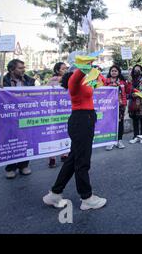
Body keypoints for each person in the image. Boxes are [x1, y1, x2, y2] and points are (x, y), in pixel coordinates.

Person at [43, 62, 107, 210]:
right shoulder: (74, 82)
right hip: (81, 121)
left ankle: (55, 194)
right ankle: (86, 197)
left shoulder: (86, 83)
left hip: (87, 119)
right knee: (82, 161)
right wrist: (89, 60)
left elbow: (102, 81)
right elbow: (83, 68)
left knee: (73, 160)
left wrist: (96, 71)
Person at [0, 59, 35, 179]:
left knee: (26, 139)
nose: (23, 70)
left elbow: (34, 95)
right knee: (11, 141)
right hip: (9, 117)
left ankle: (24, 165)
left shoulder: (29, 81)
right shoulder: (2, 81)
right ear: (11, 69)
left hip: (25, 115)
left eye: (24, 67)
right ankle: (11, 167)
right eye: (20, 68)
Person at [47, 62, 69, 168]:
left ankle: (64, 154)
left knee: (64, 131)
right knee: (53, 133)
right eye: (63, 69)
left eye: (66, 69)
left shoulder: (68, 79)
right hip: (54, 111)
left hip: (65, 110)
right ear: (57, 70)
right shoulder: (52, 80)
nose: (65, 70)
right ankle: (52, 158)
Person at [104, 65, 130, 150]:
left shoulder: (123, 82)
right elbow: (102, 91)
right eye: (112, 71)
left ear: (118, 72)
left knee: (120, 122)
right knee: (110, 123)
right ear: (110, 72)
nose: (114, 72)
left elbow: (128, 91)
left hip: (121, 105)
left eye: (115, 71)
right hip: (109, 105)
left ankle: (119, 140)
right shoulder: (106, 81)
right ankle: (110, 141)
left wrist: (129, 82)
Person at [128, 64, 142, 144]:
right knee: (135, 121)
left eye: (139, 70)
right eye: (135, 70)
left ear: (141, 71)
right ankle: (135, 136)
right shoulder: (130, 80)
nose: (137, 71)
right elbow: (127, 92)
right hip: (133, 103)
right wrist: (131, 95)